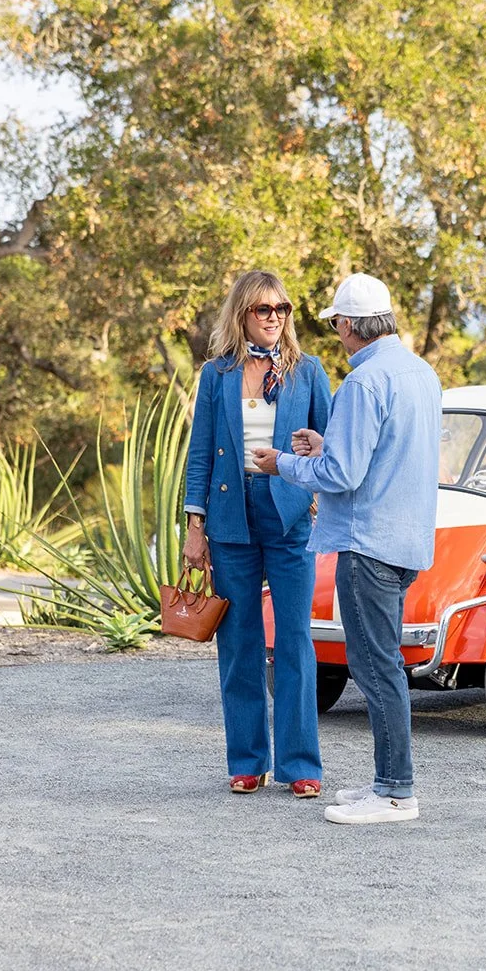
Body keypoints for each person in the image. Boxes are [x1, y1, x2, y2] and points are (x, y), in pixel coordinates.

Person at [250, 272, 441, 825]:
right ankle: (387, 781)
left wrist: (282, 463)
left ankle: (396, 792)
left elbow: (341, 475)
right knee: (384, 664)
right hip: (406, 541)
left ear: (350, 325)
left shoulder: (362, 383)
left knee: (376, 667)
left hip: (368, 541)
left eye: (336, 323)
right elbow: (385, 453)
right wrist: (326, 443)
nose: (336, 333)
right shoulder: (420, 374)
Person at [183, 270, 333, 799]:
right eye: (263, 309)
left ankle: (299, 765)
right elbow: (200, 454)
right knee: (240, 641)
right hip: (229, 519)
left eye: (282, 309)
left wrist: (300, 465)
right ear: (242, 313)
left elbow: (330, 449)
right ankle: (248, 760)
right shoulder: (215, 375)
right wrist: (194, 526)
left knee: (294, 639)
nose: (274, 317)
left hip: (289, 516)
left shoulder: (308, 372)